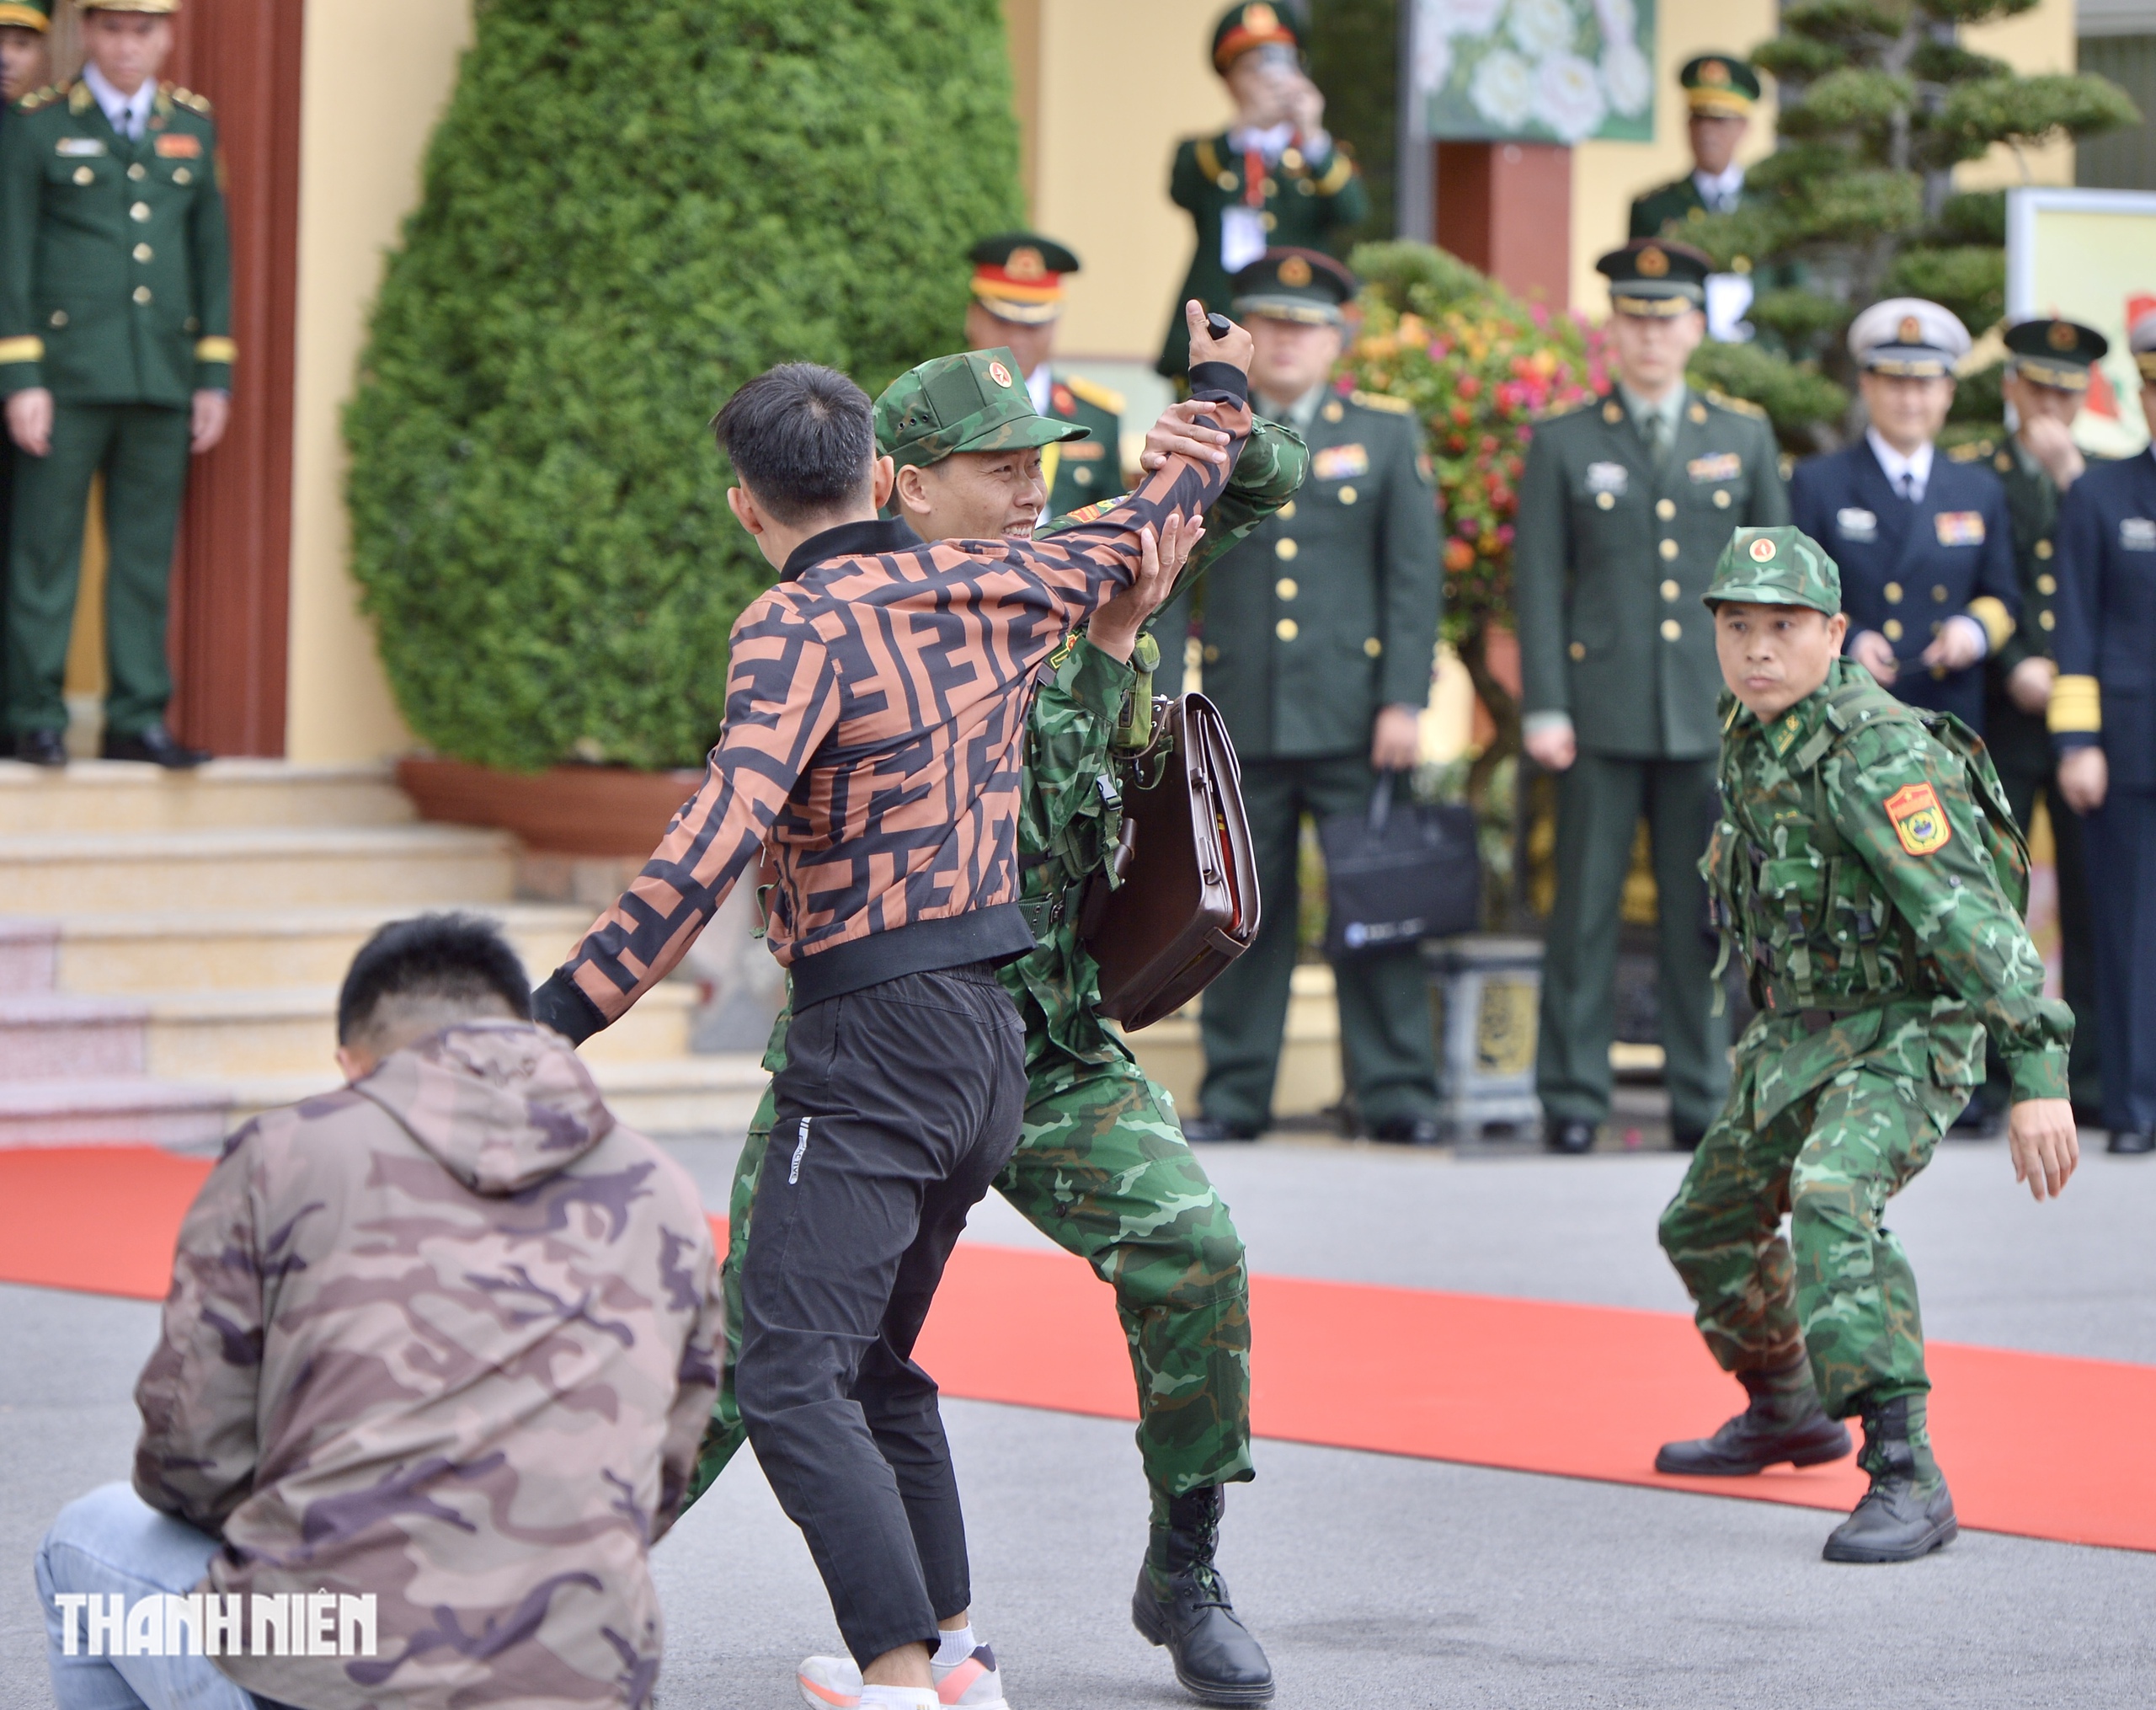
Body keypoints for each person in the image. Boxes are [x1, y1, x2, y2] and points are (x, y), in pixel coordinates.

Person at [531, 311, 1256, 1710]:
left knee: (790, 1375)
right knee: (874, 1368)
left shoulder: (791, 625)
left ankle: (894, 1671)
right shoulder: (1013, 588)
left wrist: (560, 1012)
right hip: (988, 1043)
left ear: (745, 505)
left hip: (870, 1042)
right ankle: (959, 1660)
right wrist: (1215, 388)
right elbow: (1177, 493)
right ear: (881, 478)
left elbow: (713, 839)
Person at [36, 913, 727, 1709]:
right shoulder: (663, 1190)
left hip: (336, 1661)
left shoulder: (283, 1156)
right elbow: (663, 1469)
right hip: (583, 1673)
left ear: (351, 1062)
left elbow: (192, 1455)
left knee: (78, 1543)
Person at [1656, 526, 2078, 1564]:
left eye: (1784, 628)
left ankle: (1905, 1468)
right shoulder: (1754, 727)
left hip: (1906, 1028)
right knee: (1703, 1221)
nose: (1758, 649)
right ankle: (1789, 1404)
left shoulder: (1875, 752)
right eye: (1737, 626)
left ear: (1834, 633)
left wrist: (2035, 1071)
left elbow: (1972, 918)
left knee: (1834, 1194)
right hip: (1798, 1035)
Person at [1515, 238, 1789, 1155]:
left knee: (1704, 916)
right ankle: (1572, 1095)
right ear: (1612, 329)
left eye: (1666, 317)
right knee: (1582, 912)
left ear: (1697, 328)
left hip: (1708, 712)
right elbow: (1538, 582)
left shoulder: (1740, 435)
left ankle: (1700, 1093)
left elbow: (1773, 586)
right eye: (1633, 317)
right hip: (1595, 711)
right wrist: (1545, 704)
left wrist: (1771, 697)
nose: (1650, 335)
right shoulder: (1563, 438)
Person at [1166, 248, 1443, 1146]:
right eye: (1269, 324)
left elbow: (1411, 579)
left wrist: (1404, 697)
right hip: (1245, 708)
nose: (1285, 342)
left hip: (1360, 716)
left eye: (1304, 326)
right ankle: (1238, 1090)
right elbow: (1172, 568)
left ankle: (1393, 1087)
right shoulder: (1213, 430)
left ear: (1336, 338)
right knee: (1241, 906)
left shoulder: (1387, 433)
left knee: (1380, 903)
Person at [0, 0, 231, 768]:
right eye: (113, 28)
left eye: (144, 30)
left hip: (161, 377)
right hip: (65, 378)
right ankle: (33, 714)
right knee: (44, 552)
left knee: (142, 556)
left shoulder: (193, 125)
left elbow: (211, 253)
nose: (128, 46)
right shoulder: (36, 123)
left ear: (166, 36)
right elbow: (14, 256)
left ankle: (136, 718)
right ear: (88, 34)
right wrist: (22, 373)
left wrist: (213, 374)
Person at [1958, 318, 2106, 1130]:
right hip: (2005, 715)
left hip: (2087, 721)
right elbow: (1980, 577)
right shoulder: (1982, 475)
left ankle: (2093, 1078)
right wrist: (2014, 656)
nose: (2051, 405)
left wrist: (2074, 475)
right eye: (2038, 387)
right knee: (1994, 901)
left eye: (2066, 391)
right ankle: (1984, 1080)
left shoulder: (2101, 477)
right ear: (2010, 387)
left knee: (2095, 901)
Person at [1790, 299, 2018, 736]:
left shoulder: (1979, 489)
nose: (1910, 399)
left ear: (1948, 392)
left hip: (1948, 716)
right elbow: (1799, 595)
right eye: (1895, 382)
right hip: (1849, 708)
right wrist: (1850, 639)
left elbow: (2004, 598)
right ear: (1867, 386)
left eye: (1925, 384)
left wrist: (1972, 631)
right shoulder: (1818, 483)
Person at [2050, 303, 2156, 1156]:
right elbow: (2074, 629)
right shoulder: (2099, 492)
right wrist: (2075, 744)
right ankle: (2130, 1102)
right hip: (2126, 752)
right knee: (2126, 936)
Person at [1155, 3, 1365, 380]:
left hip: (1296, 333)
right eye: (1252, 68)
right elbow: (1182, 189)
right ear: (1228, 80)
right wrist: (1243, 128)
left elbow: (1352, 211)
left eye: (1280, 66)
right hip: (1219, 329)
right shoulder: (1209, 153)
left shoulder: (1318, 155)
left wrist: (1313, 134)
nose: (1269, 80)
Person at [964, 231, 1128, 517]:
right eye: (1002, 321)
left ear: (1054, 326)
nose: (1016, 339)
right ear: (972, 318)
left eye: (1033, 327)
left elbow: (1113, 528)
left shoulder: (1096, 418)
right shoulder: (928, 407)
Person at [1628, 55, 1768, 343]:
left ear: (1743, 127)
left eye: (1719, 120)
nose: (1707, 132)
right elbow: (1638, 293)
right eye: (1698, 118)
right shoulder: (1653, 208)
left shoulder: (1769, 204)